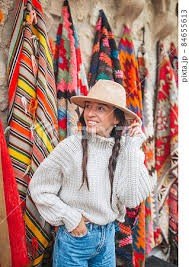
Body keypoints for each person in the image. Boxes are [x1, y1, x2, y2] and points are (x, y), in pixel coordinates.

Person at [29, 79, 154, 267]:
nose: (90, 114)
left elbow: (131, 198)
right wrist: (71, 217)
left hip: (108, 239)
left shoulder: (125, 151)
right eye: (88, 107)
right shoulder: (71, 147)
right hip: (75, 240)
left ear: (117, 118)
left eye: (101, 108)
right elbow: (39, 188)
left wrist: (133, 146)